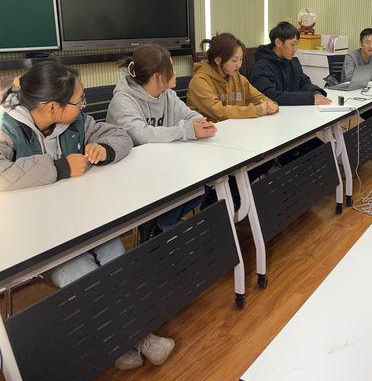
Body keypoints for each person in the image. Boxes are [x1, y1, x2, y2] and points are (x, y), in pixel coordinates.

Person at [0, 62, 173, 371]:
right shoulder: (8, 126)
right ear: (52, 107)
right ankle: (122, 340)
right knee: (82, 274)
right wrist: (61, 168)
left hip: (83, 221)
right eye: (78, 100)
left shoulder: (77, 121)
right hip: (39, 238)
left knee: (115, 257)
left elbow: (119, 135)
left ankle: (136, 336)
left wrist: (105, 149)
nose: (83, 105)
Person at [106, 43, 217, 237]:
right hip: (131, 173)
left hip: (162, 164)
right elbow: (140, 134)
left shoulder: (168, 95)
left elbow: (187, 114)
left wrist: (200, 122)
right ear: (157, 76)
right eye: (170, 68)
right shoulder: (123, 100)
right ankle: (158, 228)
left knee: (203, 184)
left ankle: (161, 226)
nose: (175, 73)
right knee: (185, 184)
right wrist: (187, 130)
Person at [188, 33, 278, 121]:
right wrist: (257, 110)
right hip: (210, 129)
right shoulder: (199, 81)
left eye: (241, 59)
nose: (239, 65)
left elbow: (258, 97)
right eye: (234, 60)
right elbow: (219, 112)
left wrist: (270, 104)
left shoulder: (238, 78)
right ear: (218, 60)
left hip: (235, 128)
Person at [250, 21, 331, 106]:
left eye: (296, 45)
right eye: (292, 44)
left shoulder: (293, 62)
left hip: (293, 111)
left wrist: (316, 92)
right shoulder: (261, 66)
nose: (295, 49)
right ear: (278, 43)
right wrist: (310, 99)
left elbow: (304, 83)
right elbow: (270, 96)